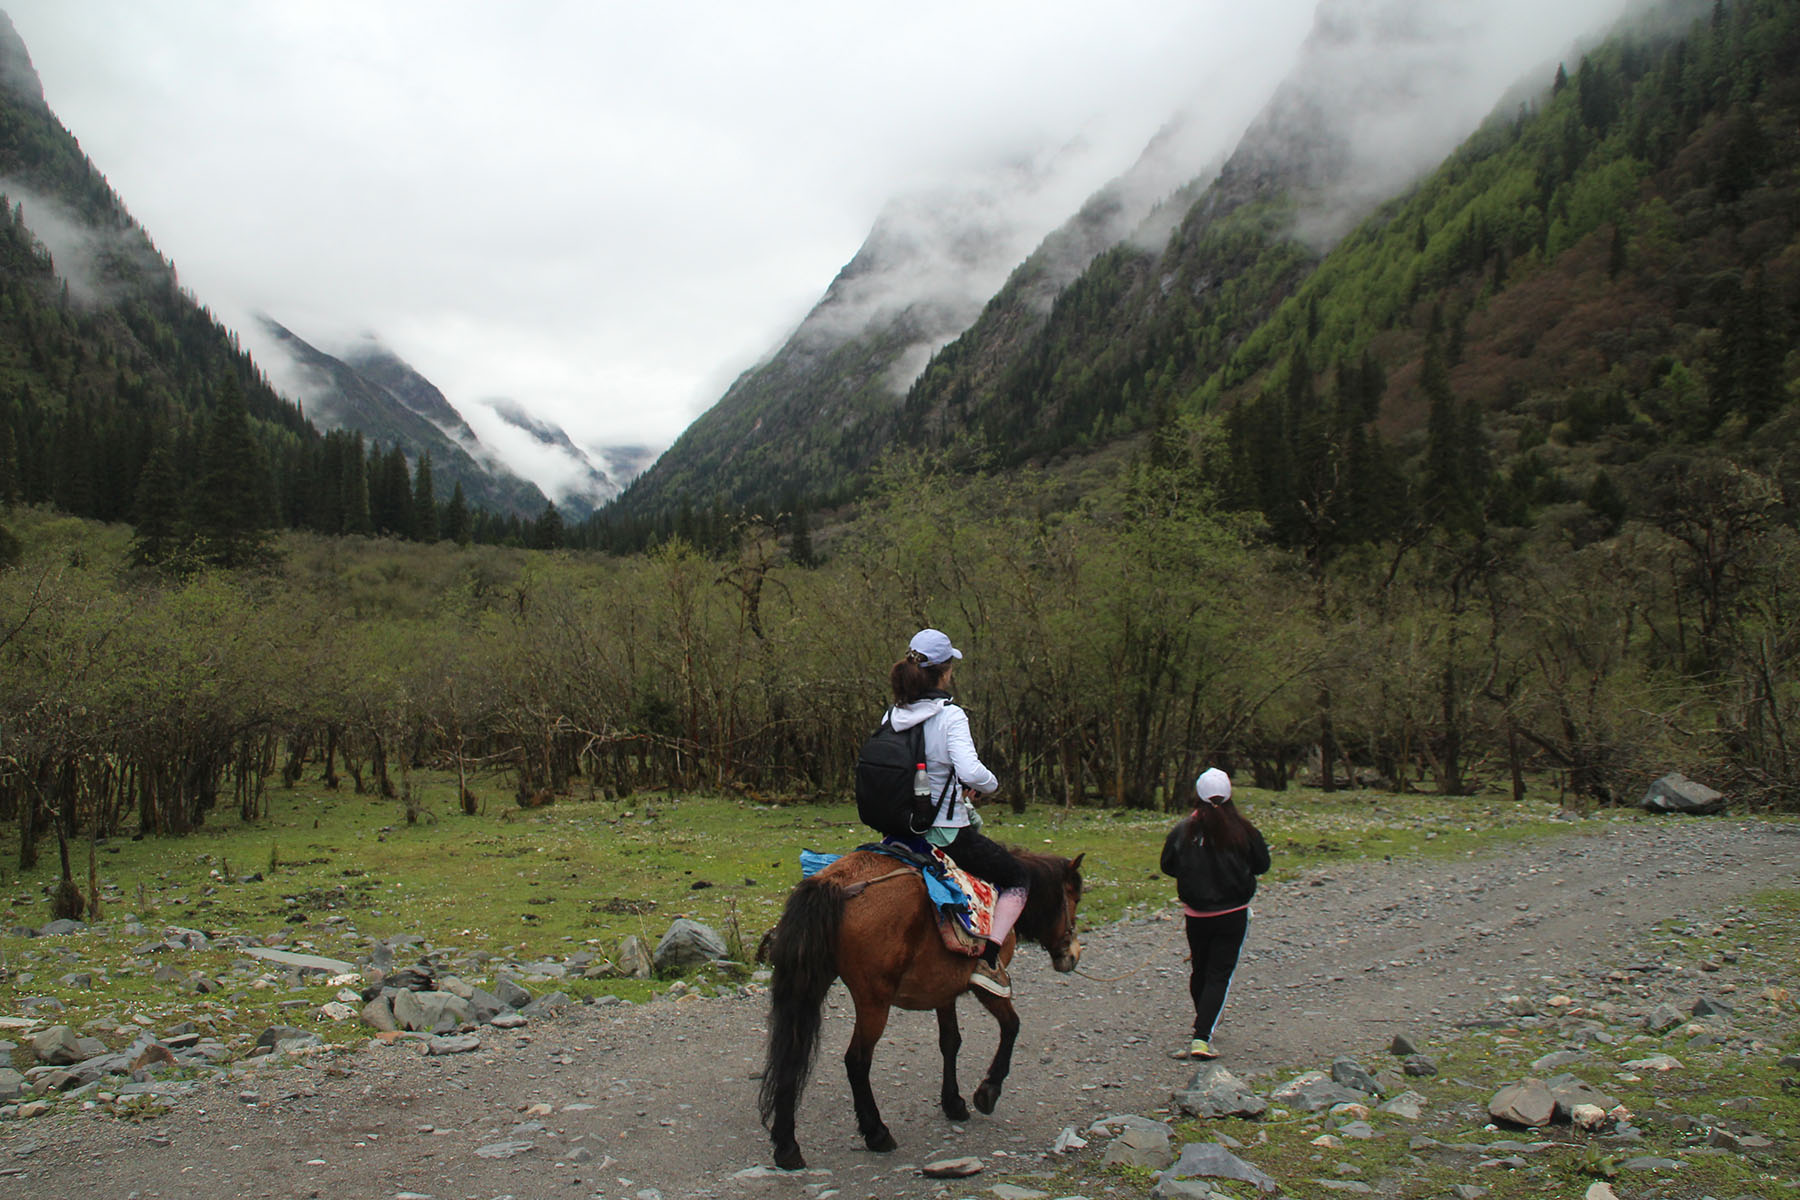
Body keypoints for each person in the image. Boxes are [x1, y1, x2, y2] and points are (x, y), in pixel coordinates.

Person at [884, 628, 1028, 997]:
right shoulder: (950, 716)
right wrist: (991, 785)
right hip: (944, 830)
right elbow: (972, 771)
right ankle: (990, 960)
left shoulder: (893, 715)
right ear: (945, 672)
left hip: (899, 828)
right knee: (1017, 878)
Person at [1160, 766, 1270, 1059]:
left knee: (1200, 970)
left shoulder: (1183, 830)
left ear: (1198, 795)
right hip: (1233, 914)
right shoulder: (1244, 830)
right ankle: (1202, 1036)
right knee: (1219, 975)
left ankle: (1204, 1024)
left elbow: (1167, 865)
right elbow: (1262, 864)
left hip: (1196, 915)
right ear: (1230, 794)